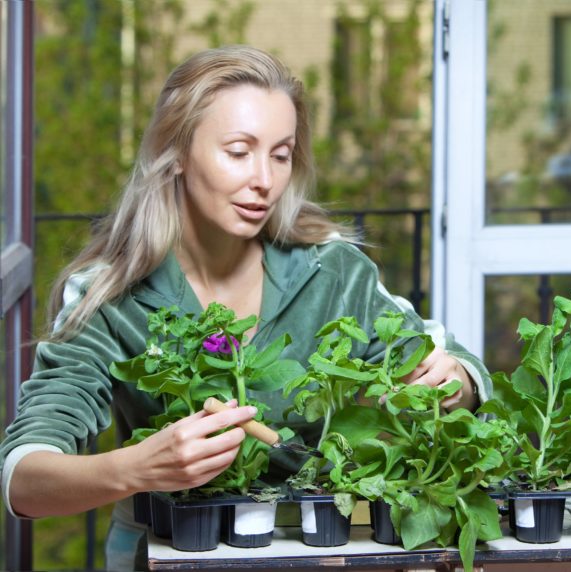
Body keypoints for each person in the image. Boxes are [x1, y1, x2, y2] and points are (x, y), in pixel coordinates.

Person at [0, 45, 490, 570]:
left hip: (314, 549)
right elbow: (25, 481)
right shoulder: (109, 295)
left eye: (281, 154)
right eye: (238, 151)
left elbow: (452, 360)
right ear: (178, 153)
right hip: (165, 553)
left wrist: (455, 379)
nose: (265, 180)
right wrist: (140, 467)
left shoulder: (332, 270)